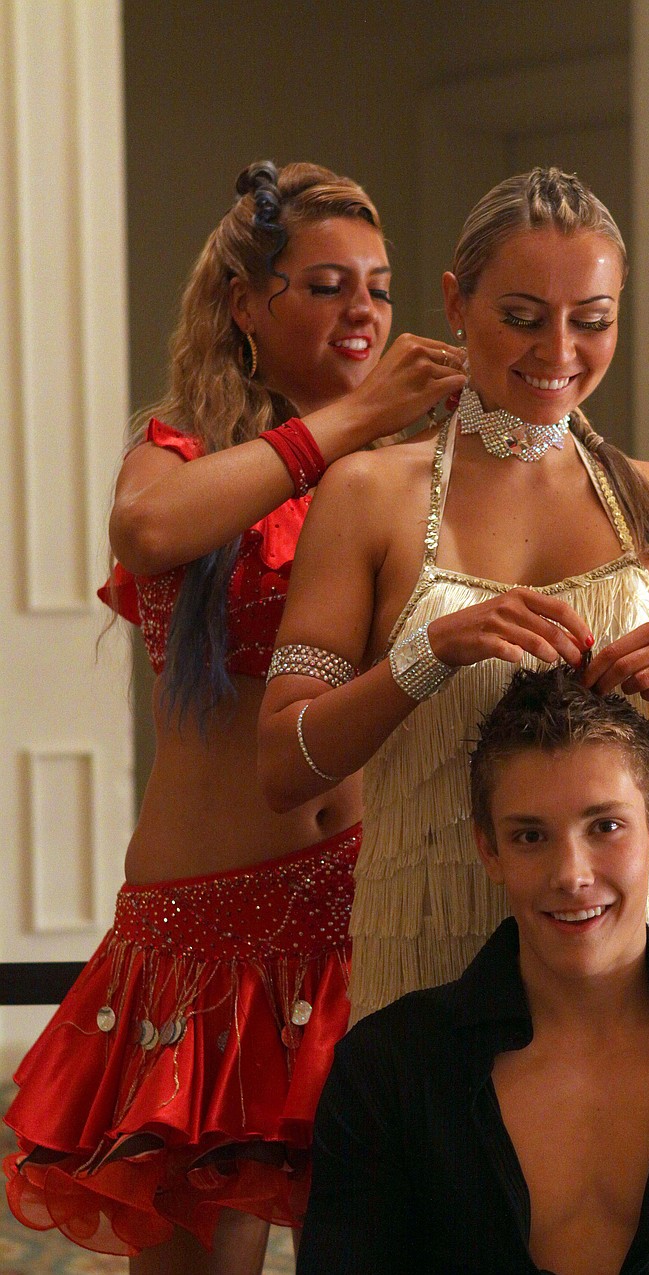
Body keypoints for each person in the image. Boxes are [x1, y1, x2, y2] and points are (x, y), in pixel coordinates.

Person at [2, 160, 465, 1272]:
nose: (362, 311)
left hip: (367, 911)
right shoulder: (178, 451)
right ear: (245, 303)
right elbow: (150, 532)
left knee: (384, 1246)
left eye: (379, 287)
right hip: (206, 935)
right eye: (327, 286)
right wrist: (353, 418)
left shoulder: (405, 473)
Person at [258, 166, 649, 1026]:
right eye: (524, 318)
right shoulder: (367, 494)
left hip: (634, 970)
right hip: (430, 964)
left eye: (592, 320)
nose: (559, 352)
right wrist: (431, 652)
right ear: (456, 303)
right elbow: (285, 767)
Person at [298, 668, 649, 1275]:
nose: (571, 875)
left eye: (605, 827)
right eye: (531, 836)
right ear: (489, 850)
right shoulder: (388, 1065)